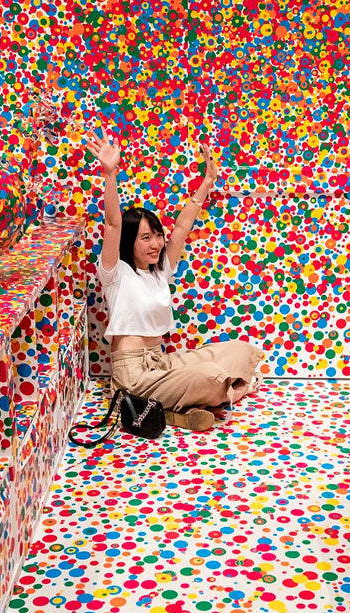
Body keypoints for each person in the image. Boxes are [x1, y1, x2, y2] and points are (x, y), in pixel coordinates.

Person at [86, 131, 265, 431]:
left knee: (240, 349)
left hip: (161, 362)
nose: (156, 243)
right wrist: (110, 173)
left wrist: (207, 182)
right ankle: (230, 391)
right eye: (146, 237)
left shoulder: (160, 270)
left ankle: (178, 407)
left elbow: (182, 226)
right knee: (208, 375)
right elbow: (113, 222)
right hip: (134, 375)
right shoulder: (115, 273)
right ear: (129, 243)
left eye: (157, 235)